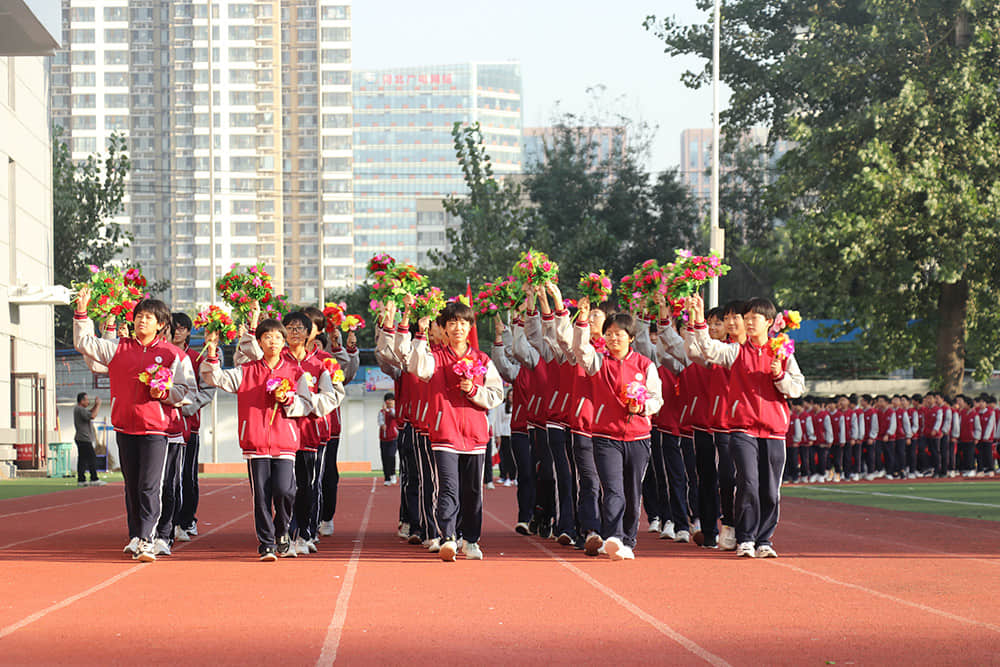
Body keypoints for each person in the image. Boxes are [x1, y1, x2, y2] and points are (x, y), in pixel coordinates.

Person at [200, 319, 342, 560]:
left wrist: (289, 401)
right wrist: (212, 352)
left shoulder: (296, 372)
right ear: (259, 341)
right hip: (255, 443)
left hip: (285, 441)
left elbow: (307, 404)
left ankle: (282, 531)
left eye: (277, 337)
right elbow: (217, 378)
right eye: (267, 337)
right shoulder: (247, 371)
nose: (273, 341)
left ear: (283, 340)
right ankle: (266, 542)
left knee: (286, 491)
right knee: (262, 496)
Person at [73, 286, 196, 562]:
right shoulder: (119, 348)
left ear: (161, 324)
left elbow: (187, 392)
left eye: (149, 317)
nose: (142, 321)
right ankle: (136, 535)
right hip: (125, 427)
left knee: (150, 486)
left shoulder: (173, 354)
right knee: (132, 486)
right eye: (139, 316)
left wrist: (163, 393)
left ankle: (148, 540)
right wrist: (82, 312)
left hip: (155, 429)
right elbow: (86, 344)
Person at [684, 294, 805, 559]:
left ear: (769, 322)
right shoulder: (737, 351)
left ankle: (764, 539)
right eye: (746, 318)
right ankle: (746, 537)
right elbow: (709, 349)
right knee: (748, 483)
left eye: (754, 319)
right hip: (743, 429)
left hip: (773, 430)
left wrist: (779, 376)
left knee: (770, 491)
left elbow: (797, 388)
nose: (749, 323)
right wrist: (698, 318)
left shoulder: (782, 351)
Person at [393, 297, 504, 562]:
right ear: (442, 328)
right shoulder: (435, 357)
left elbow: (496, 393)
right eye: (452, 323)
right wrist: (419, 333)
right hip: (445, 434)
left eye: (463, 323)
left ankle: (472, 540)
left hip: (476, 437)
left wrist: (474, 390)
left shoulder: (482, 359)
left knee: (473, 492)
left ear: (470, 327)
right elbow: (417, 367)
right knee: (448, 489)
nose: (458, 328)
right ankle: (448, 537)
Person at [571, 297, 663, 561]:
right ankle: (614, 536)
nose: (613, 339)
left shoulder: (645, 365)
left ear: (630, 337)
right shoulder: (598, 362)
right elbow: (580, 349)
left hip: (638, 437)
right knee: (612, 489)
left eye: (619, 334)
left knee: (633, 492)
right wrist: (582, 321)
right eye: (609, 334)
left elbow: (657, 399)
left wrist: (643, 408)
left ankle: (628, 539)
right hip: (605, 436)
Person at [73, 392, 106, 487]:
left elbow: (90, 412)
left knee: (82, 459)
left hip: (81, 438)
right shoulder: (79, 409)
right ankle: (94, 478)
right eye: (86, 400)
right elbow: (92, 415)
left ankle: (81, 479)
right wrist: (98, 405)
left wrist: (95, 405)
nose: (88, 402)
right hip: (84, 438)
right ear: (82, 401)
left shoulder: (80, 409)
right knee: (92, 458)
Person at [378, 392, 400, 486]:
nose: (389, 402)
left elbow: (395, 415)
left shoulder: (395, 410)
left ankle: (393, 474)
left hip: (393, 438)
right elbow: (380, 421)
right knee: (384, 458)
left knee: (391, 456)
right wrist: (382, 424)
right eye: (388, 400)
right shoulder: (381, 412)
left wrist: (388, 410)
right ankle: (386, 478)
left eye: (391, 400)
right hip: (383, 438)